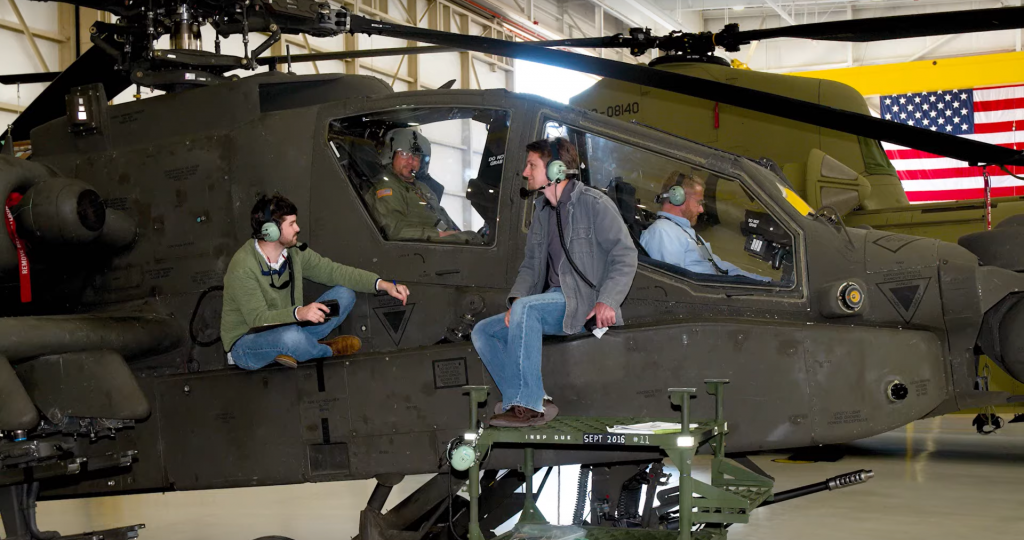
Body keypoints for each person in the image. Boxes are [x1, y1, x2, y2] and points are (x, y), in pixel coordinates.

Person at [471, 137, 638, 428]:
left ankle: (527, 405)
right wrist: (516, 301)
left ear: (556, 170)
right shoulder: (542, 212)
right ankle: (533, 399)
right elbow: (531, 265)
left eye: (531, 165)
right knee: (484, 332)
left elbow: (625, 254)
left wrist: (608, 300)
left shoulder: (594, 204)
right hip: (552, 300)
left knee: (528, 310)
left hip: (581, 301)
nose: (525, 172)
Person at [221, 195, 411, 370]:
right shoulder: (243, 267)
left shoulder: (294, 252)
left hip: (289, 327)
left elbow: (334, 272)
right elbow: (258, 319)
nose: (298, 228)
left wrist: (381, 284)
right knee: (291, 337)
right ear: (270, 231)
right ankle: (326, 350)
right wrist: (299, 313)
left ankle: (296, 348)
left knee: (345, 294)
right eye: (292, 224)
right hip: (248, 344)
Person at [640, 173, 770, 282]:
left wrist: (764, 282)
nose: (701, 209)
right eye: (698, 202)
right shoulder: (663, 232)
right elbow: (671, 284)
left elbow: (719, 266)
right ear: (677, 198)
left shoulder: (690, 235)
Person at [369, 128, 481, 243]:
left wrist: (454, 233)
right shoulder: (387, 187)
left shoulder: (422, 188)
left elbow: (440, 220)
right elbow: (396, 230)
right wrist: (439, 235)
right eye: (403, 154)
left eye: (416, 157)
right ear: (391, 155)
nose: (410, 161)